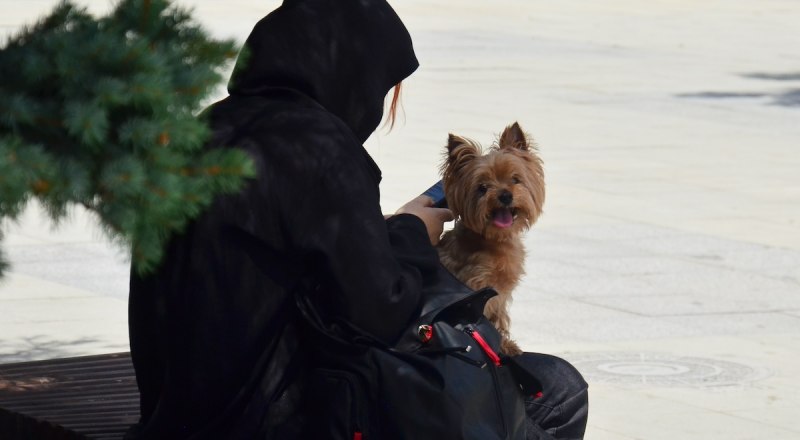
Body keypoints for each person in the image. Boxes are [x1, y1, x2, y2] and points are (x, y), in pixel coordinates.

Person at [125, 0, 587, 439]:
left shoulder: (207, 128)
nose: (383, 106)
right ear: (353, 71)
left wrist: (387, 230)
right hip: (270, 419)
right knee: (557, 390)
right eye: (384, 88)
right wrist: (412, 232)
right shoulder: (320, 149)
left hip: (175, 412)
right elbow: (381, 311)